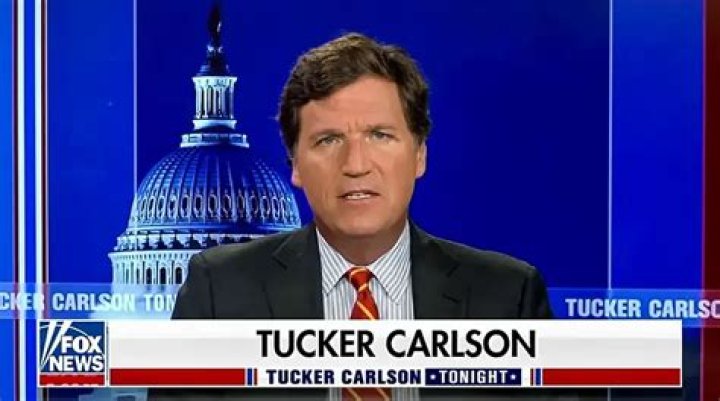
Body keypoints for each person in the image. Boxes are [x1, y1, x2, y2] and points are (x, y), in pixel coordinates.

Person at [150, 32, 595, 401]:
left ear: (419, 155)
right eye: (328, 140)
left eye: (380, 135)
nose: (356, 164)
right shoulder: (219, 293)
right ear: (295, 165)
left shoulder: (508, 297)